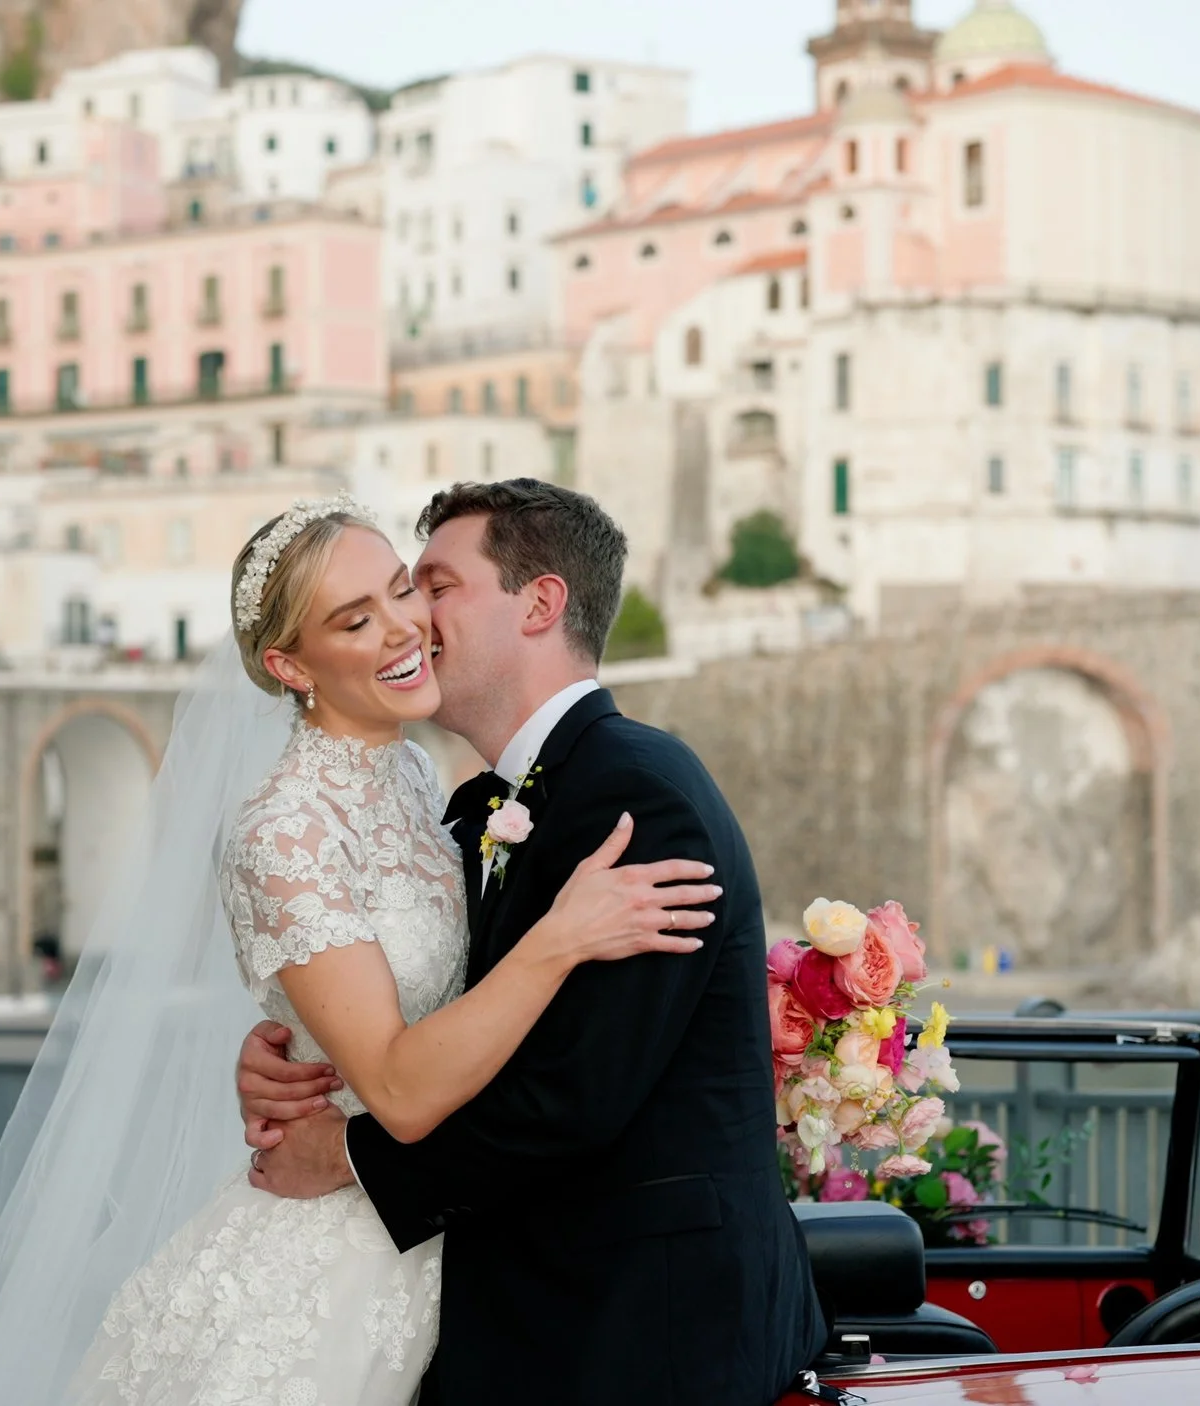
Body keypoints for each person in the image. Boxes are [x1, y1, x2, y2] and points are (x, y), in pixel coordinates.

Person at [0, 494, 719, 1405]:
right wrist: (558, 939)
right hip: (329, 1260)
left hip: (447, 1245)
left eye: (402, 589)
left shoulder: (426, 781)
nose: (400, 628)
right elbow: (404, 1089)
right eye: (353, 619)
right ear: (291, 665)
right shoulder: (282, 830)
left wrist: (294, 1047)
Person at [238, 479, 825, 1404]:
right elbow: (441, 1004)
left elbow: (569, 1096)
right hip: (532, 1311)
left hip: (645, 1331)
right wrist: (305, 1046)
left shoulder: (636, 795)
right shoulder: (471, 805)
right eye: (394, 596)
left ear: (541, 602)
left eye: (431, 585)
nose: (413, 620)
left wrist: (348, 1155)